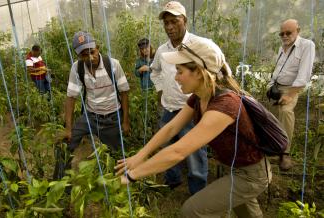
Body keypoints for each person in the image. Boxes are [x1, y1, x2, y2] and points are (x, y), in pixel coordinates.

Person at [115, 37, 272, 218]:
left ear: (198, 72)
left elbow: (178, 152)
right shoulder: (199, 97)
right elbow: (171, 127)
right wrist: (140, 156)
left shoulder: (225, 105)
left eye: (180, 71)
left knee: (192, 211)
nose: (175, 77)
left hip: (251, 174)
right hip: (234, 166)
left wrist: (132, 175)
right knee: (247, 213)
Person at [149, 1, 208, 195]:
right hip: (168, 109)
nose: (169, 27)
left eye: (174, 21)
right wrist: (160, 91)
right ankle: (172, 182)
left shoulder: (199, 46)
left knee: (194, 154)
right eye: (166, 23)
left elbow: (215, 74)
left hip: (192, 111)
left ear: (185, 21)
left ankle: (197, 192)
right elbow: (154, 72)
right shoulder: (161, 50)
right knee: (167, 146)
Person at [64, 31, 130, 154]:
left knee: (113, 153)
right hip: (90, 116)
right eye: (84, 55)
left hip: (112, 117)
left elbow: (124, 93)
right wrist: (68, 129)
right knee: (69, 141)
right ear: (78, 56)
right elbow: (71, 98)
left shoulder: (113, 65)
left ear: (98, 48)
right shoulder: (77, 68)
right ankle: (64, 171)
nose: (90, 57)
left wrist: (125, 121)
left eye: (92, 52)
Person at [267, 19, 315, 170]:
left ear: (298, 31)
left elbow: (303, 76)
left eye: (288, 32)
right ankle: (272, 146)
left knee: (286, 112)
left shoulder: (307, 46)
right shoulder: (283, 47)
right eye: (282, 33)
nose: (285, 36)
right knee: (269, 116)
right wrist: (270, 86)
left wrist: (290, 95)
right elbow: (279, 70)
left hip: (291, 87)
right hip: (276, 86)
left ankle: (284, 153)